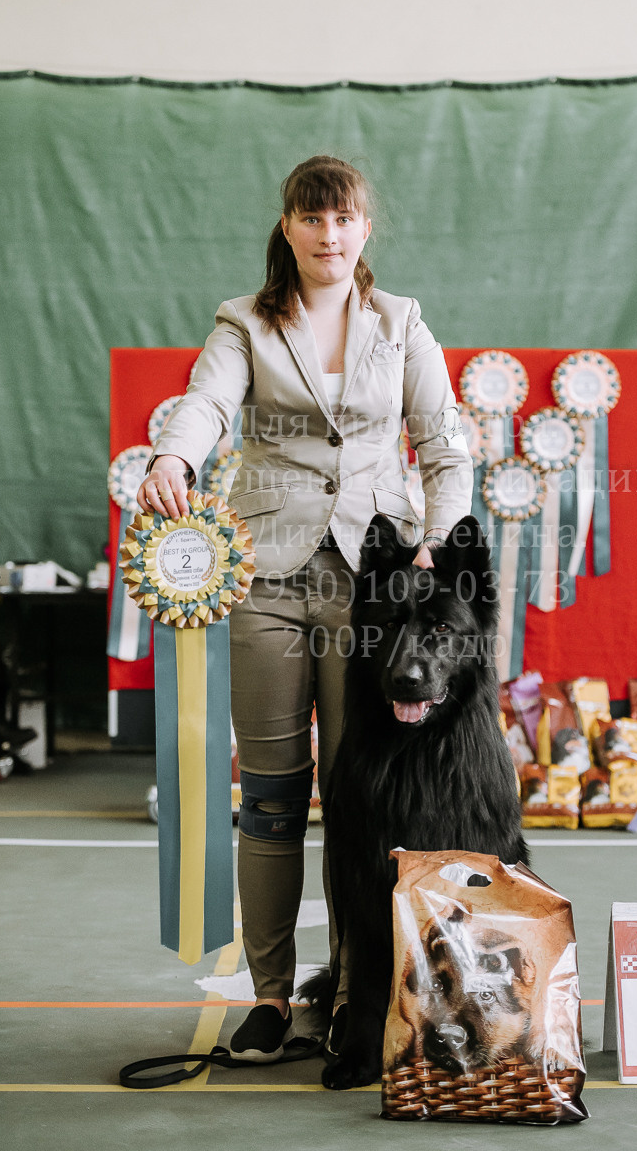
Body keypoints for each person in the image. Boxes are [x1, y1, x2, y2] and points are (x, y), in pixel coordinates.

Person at [137, 156, 473, 1063]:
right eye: (311, 217)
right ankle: (275, 996)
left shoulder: (401, 324)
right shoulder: (243, 322)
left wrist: (440, 541)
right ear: (287, 226)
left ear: (366, 229)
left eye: (344, 218)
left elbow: (444, 446)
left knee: (363, 798)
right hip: (267, 581)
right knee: (274, 800)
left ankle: (362, 992)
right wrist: (173, 459)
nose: (328, 233)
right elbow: (205, 404)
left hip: (374, 594)